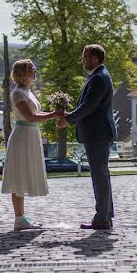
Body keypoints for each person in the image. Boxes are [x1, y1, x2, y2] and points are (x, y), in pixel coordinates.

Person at [58, 44, 117, 230]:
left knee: (99, 176)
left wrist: (69, 119)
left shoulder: (99, 78)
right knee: (102, 175)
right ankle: (106, 215)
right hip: (98, 133)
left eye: (84, 57)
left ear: (94, 58)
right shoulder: (99, 76)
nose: (82, 60)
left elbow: (89, 106)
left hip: (97, 134)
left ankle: (102, 218)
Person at [2, 59, 60, 231]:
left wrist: (54, 114)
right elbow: (30, 117)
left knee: (25, 174)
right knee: (19, 176)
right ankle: (19, 219)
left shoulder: (27, 91)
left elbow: (36, 113)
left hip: (31, 134)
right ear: (23, 73)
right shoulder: (18, 93)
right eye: (32, 69)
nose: (35, 71)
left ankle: (21, 217)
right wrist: (53, 115)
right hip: (22, 136)